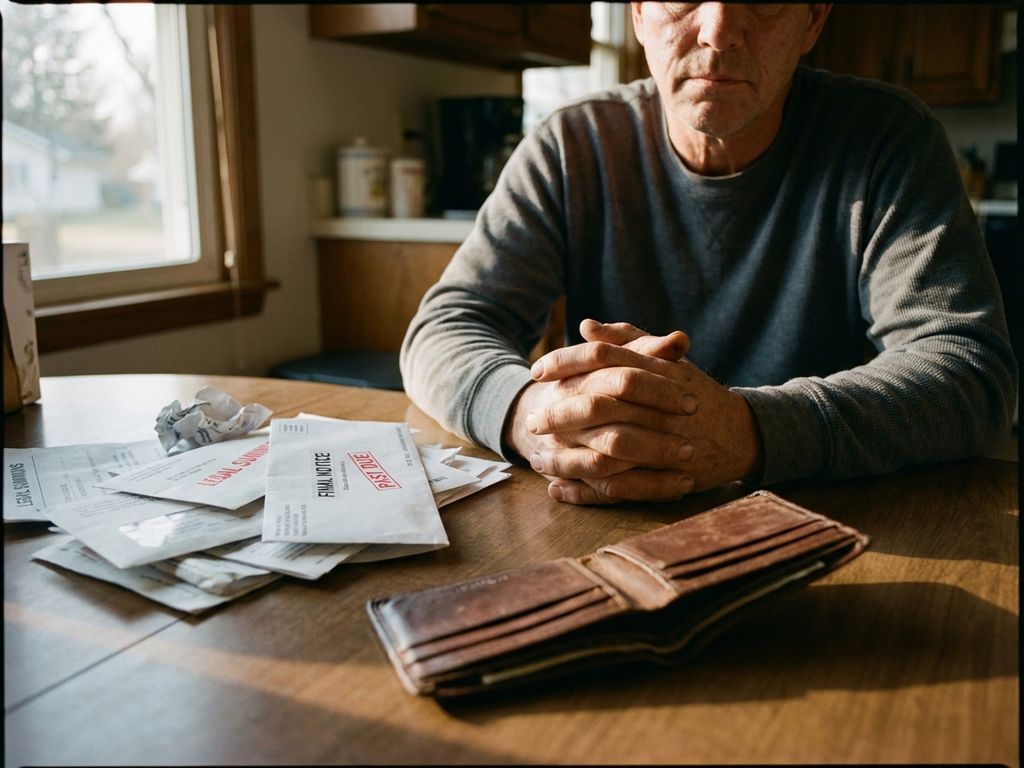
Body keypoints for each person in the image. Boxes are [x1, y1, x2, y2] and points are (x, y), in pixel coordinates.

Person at [401, 2, 1017, 505]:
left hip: (825, 515)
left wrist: (746, 432)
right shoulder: (571, 145)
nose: (719, 30)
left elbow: (970, 374)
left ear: (813, 20)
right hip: (599, 520)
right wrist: (530, 413)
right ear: (638, 14)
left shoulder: (888, 140)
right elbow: (445, 327)